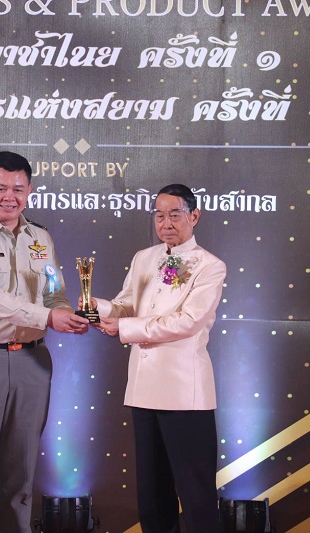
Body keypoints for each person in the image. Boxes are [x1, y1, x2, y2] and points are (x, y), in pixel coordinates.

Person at [0, 151, 89, 533]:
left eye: (18, 189)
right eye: (1, 188)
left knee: (21, 470)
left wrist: (67, 313)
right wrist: (47, 317)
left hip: (31, 362)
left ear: (29, 190)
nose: (10, 196)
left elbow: (53, 290)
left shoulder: (40, 236)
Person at [90, 183, 226, 533]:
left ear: (194, 216)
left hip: (184, 393)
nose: (166, 223)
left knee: (195, 493)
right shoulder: (144, 257)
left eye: (175, 215)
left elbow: (187, 322)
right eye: (159, 215)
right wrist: (97, 307)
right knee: (152, 494)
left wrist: (125, 328)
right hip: (143, 388)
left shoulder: (210, 266)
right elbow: (126, 303)